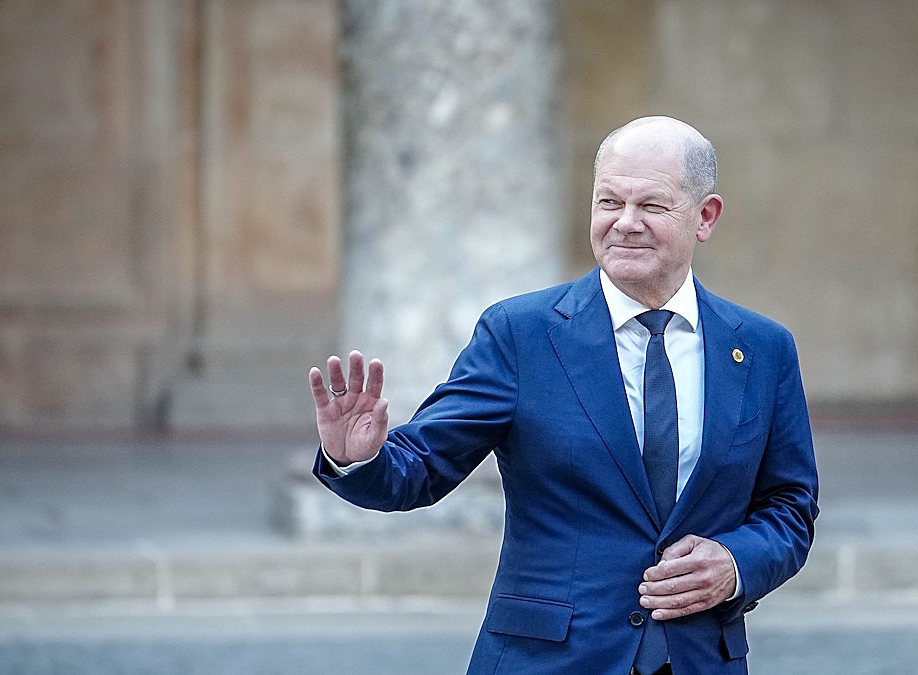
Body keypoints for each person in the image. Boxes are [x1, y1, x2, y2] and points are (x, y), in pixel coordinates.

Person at [308, 116, 818, 675]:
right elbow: (423, 467)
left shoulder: (763, 349)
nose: (625, 223)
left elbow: (790, 505)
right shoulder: (520, 334)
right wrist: (358, 458)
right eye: (608, 202)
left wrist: (735, 563)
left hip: (699, 658)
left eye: (651, 205)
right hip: (547, 659)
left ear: (706, 216)